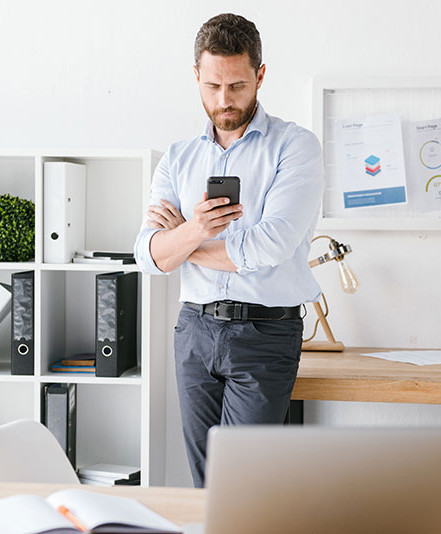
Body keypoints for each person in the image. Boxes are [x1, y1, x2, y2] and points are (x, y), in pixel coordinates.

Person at [133, 13, 324, 488]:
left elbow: (271, 244)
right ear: (196, 76)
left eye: (237, 85)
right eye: (213, 85)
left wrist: (188, 237)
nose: (224, 100)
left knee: (243, 484)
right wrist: (195, 232)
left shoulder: (295, 147)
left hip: (264, 332)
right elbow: (147, 256)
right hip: (194, 330)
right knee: (206, 487)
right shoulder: (178, 158)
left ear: (260, 75)